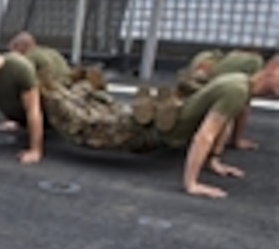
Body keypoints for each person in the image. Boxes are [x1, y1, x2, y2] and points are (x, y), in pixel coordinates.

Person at [38, 54, 279, 198]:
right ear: (272, 70)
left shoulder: (239, 83)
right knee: (84, 126)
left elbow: (222, 122)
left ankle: (78, 88)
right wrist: (191, 184)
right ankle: (53, 90)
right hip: (148, 132)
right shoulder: (237, 90)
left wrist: (214, 160)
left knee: (105, 112)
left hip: (156, 124)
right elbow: (205, 135)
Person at [174, 48, 266, 149]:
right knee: (225, 111)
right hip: (208, 79)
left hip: (200, 67)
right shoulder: (253, 66)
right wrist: (236, 140)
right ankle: (213, 154)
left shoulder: (211, 57)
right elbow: (243, 108)